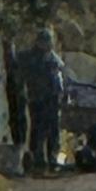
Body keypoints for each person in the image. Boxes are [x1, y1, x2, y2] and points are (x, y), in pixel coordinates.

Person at [19, 26, 66, 174]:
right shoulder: (31, 58)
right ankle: (37, 160)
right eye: (45, 41)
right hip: (38, 99)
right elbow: (26, 76)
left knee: (53, 130)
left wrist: (61, 94)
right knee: (38, 130)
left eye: (49, 41)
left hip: (52, 99)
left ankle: (52, 159)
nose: (48, 44)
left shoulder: (52, 57)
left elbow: (59, 73)